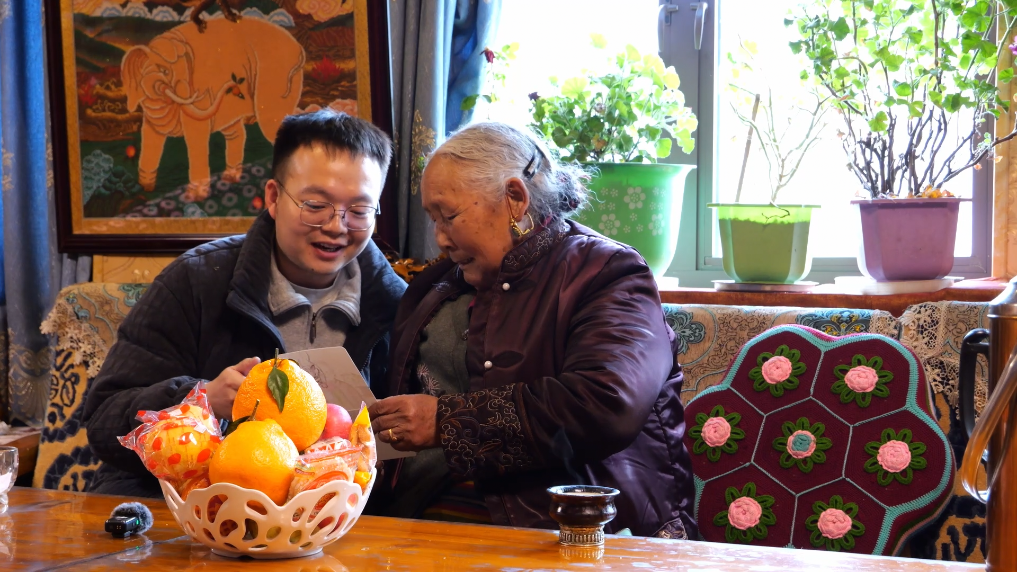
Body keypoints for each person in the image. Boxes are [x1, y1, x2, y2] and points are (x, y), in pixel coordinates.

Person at [367, 122, 696, 538]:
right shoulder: (433, 288)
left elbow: (605, 404)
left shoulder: (607, 273)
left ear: (515, 199)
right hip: (421, 524)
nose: (440, 239)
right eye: (434, 220)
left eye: (448, 217)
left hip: (572, 529)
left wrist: (447, 423)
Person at [83, 110, 407, 498]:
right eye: (315, 204)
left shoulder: (398, 305)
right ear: (273, 197)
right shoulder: (196, 280)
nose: (337, 226)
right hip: (193, 515)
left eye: (359, 211)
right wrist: (201, 401)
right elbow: (104, 420)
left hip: (338, 520)